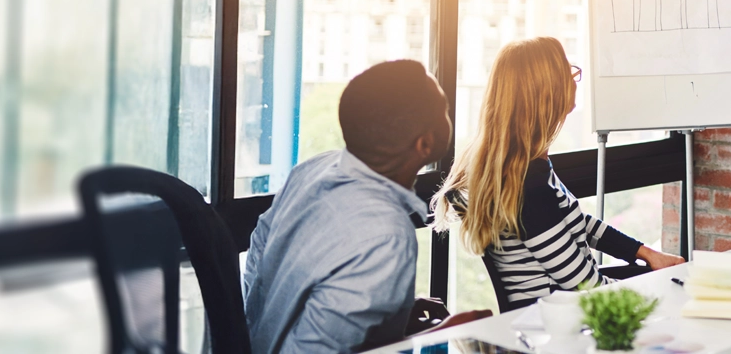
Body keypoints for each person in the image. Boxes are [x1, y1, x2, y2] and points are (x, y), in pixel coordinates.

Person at [242, 60, 488, 354]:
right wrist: (444, 333)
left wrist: (389, 312)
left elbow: (260, 263)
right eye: (445, 110)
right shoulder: (386, 235)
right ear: (424, 144)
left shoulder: (313, 169)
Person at [430, 37, 685, 311]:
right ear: (547, 93)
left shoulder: (524, 163)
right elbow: (587, 288)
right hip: (555, 322)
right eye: (568, 73)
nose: (575, 79)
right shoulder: (530, 187)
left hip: (566, 304)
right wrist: (657, 292)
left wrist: (646, 254)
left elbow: (576, 222)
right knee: (677, 291)